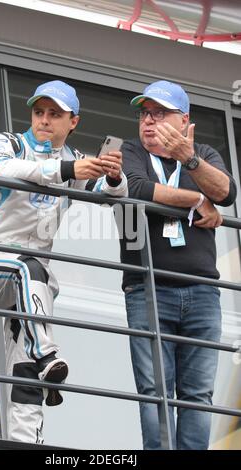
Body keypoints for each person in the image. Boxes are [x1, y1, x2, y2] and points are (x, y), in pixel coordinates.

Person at [0, 80, 127, 444]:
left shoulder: (74, 158)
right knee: (30, 267)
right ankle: (47, 355)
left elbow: (111, 196)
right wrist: (67, 170)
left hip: (29, 289)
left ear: (74, 121)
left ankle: (28, 439)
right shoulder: (9, 143)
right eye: (39, 112)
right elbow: (3, 171)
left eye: (55, 114)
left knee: (24, 374)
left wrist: (114, 176)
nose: (44, 120)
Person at [120, 80, 237, 450]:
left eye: (159, 113)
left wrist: (190, 160)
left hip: (203, 291)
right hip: (147, 287)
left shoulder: (202, 153)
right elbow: (136, 188)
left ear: (183, 119)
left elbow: (226, 192)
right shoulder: (131, 151)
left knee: (197, 394)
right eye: (144, 113)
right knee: (155, 390)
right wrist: (194, 200)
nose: (148, 121)